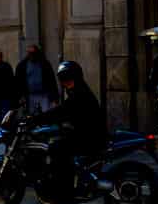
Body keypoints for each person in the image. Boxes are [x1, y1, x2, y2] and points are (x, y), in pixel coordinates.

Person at [31, 61, 106, 193]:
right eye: (63, 79)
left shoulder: (80, 93)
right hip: (83, 132)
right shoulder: (76, 91)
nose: (65, 82)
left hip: (89, 136)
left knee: (57, 148)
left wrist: (39, 119)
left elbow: (64, 110)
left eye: (68, 78)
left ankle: (64, 187)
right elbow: (66, 111)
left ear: (76, 77)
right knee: (57, 142)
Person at [18, 44, 56, 113]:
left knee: (46, 114)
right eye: (30, 53)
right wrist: (20, 96)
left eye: (33, 53)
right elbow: (19, 82)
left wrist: (54, 98)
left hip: (44, 95)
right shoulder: (22, 65)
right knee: (32, 116)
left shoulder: (45, 64)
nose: (32, 55)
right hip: (30, 96)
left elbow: (51, 80)